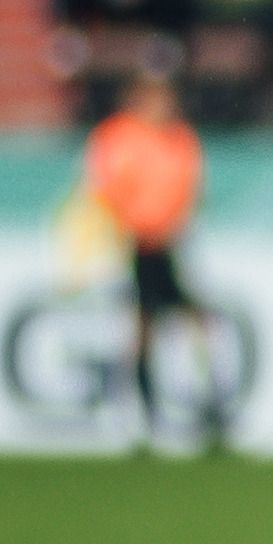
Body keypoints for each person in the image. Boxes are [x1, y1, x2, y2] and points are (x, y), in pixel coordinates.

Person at [81, 65, 229, 448]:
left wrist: (172, 225)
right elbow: (106, 190)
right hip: (134, 246)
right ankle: (143, 415)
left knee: (189, 322)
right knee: (143, 328)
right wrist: (136, 227)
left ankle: (206, 407)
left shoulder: (181, 138)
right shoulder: (117, 136)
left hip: (167, 244)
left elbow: (190, 188)